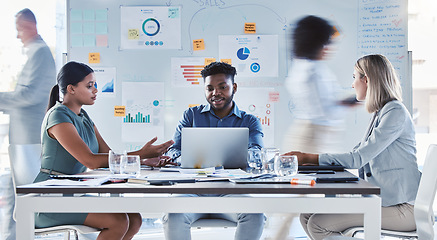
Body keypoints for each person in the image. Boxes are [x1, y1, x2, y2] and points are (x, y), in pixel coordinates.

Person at [284, 54, 421, 240]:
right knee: (307, 216)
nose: (352, 84)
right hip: (386, 203)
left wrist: (308, 157)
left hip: (404, 209)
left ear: (367, 80)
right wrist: (313, 161)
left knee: (318, 224)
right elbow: (357, 153)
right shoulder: (382, 112)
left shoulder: (395, 112)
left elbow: (357, 159)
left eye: (354, 77)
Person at [33, 61, 175, 240]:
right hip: (49, 199)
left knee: (134, 218)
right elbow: (90, 161)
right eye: (89, 85)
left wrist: (143, 160)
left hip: (72, 194)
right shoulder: (58, 116)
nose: (95, 90)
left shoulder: (83, 117)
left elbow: (110, 158)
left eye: (95, 85)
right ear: (71, 88)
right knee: (118, 221)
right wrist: (140, 153)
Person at [163, 61, 265, 240]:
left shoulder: (250, 121)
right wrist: (188, 158)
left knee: (255, 214)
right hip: (193, 190)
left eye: (222, 87)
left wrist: (235, 156)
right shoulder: (191, 115)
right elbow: (173, 151)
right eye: (209, 88)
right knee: (174, 215)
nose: (215, 93)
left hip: (232, 192)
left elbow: (257, 153)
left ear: (233, 87)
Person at [0, 8, 56, 240]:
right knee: (16, 199)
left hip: (29, 141)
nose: (17, 36)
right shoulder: (36, 54)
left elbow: (30, 96)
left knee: (25, 200)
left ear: (30, 26)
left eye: (19, 29)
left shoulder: (41, 54)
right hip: (23, 141)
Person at [282, 15, 352, 154]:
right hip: (313, 140)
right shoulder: (312, 72)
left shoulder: (303, 66)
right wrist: (353, 102)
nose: (330, 48)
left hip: (315, 136)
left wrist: (346, 102)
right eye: (328, 42)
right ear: (318, 44)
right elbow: (326, 112)